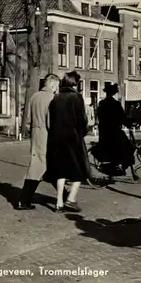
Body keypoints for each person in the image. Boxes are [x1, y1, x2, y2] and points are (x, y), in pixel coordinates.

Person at [13, 74, 69, 210]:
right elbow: (51, 122)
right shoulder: (52, 99)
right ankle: (24, 200)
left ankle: (66, 196)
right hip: (47, 134)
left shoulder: (34, 96)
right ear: (52, 85)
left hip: (35, 133)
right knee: (47, 165)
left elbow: (27, 119)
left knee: (39, 165)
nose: (57, 89)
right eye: (56, 86)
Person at [43, 71, 90, 213]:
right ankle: (70, 199)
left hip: (57, 139)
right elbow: (82, 120)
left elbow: (51, 120)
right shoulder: (77, 97)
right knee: (81, 170)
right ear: (75, 83)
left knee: (60, 170)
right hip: (73, 139)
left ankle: (59, 203)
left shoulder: (56, 98)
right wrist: (83, 132)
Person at [95, 82, 135, 183]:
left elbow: (99, 117)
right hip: (114, 131)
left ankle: (113, 171)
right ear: (114, 93)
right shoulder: (115, 104)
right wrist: (129, 123)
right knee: (128, 148)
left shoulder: (101, 104)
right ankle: (120, 167)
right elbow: (122, 118)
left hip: (104, 132)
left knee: (110, 151)